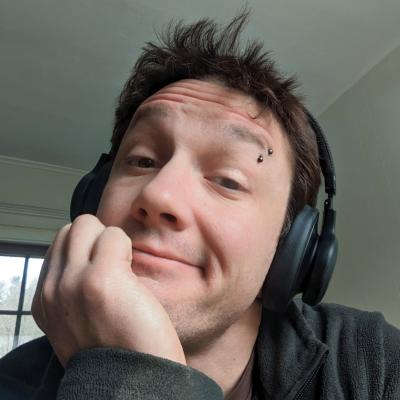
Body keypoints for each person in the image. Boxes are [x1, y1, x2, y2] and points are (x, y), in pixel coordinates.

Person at [0, 10, 399, 400]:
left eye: (227, 180)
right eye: (142, 161)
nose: (159, 194)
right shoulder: (11, 382)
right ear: (92, 197)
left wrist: (134, 382)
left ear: (292, 249)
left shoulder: (375, 364)